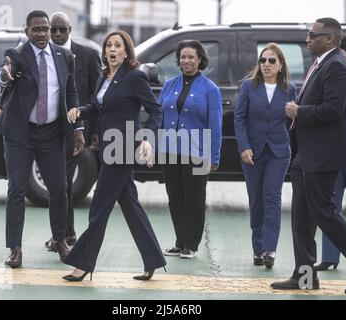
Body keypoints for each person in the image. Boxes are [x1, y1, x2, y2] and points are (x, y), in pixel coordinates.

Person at [62, 30, 166, 282]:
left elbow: (155, 110)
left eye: (117, 45)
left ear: (127, 51)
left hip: (122, 149)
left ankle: (82, 263)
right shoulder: (105, 76)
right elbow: (99, 107)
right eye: (109, 45)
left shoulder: (134, 77)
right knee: (131, 206)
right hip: (107, 149)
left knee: (98, 207)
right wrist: (78, 112)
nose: (112, 49)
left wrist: (147, 139)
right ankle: (152, 260)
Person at [271, 18, 346, 294]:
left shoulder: (337, 66)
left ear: (331, 39)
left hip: (324, 153)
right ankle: (305, 276)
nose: (308, 40)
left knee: (324, 213)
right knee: (302, 215)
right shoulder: (324, 62)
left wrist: (300, 111)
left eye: (313, 35)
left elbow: (334, 110)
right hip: (307, 153)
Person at [0, 10, 81, 268]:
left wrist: (78, 129)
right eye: (37, 30)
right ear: (27, 32)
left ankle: (60, 241)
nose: (43, 34)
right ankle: (15, 250)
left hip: (52, 133)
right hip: (20, 133)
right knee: (17, 191)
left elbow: (72, 93)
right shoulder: (17, 55)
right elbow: (4, 73)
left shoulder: (64, 56)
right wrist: (4, 74)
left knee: (59, 189)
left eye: (46, 29)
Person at [159, 40, 222, 259]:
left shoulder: (210, 89)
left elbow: (215, 125)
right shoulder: (169, 85)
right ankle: (179, 241)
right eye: (183, 57)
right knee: (175, 197)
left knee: (193, 198)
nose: (186, 61)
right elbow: (159, 117)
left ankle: (191, 245)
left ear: (200, 60)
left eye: (191, 57)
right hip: (170, 151)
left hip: (197, 152)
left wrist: (214, 156)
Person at [234, 43, 296, 268]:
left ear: (280, 65)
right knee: (256, 201)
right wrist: (244, 146)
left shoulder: (290, 88)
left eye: (272, 61)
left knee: (272, 198)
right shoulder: (249, 86)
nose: (266, 64)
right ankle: (257, 248)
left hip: (278, 151)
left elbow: (292, 121)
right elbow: (239, 118)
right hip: (252, 152)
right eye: (263, 60)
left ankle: (270, 249)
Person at [44, 11, 101, 250]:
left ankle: (66, 234)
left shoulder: (87, 55)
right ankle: (64, 234)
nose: (57, 34)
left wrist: (95, 132)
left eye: (61, 29)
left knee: (64, 183)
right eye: (53, 30)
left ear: (70, 30)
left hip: (76, 132)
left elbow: (98, 97)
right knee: (58, 184)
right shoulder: (43, 55)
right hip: (48, 130)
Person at [316, 34, 346, 272]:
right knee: (329, 205)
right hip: (334, 149)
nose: (342, 58)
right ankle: (330, 256)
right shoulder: (331, 77)